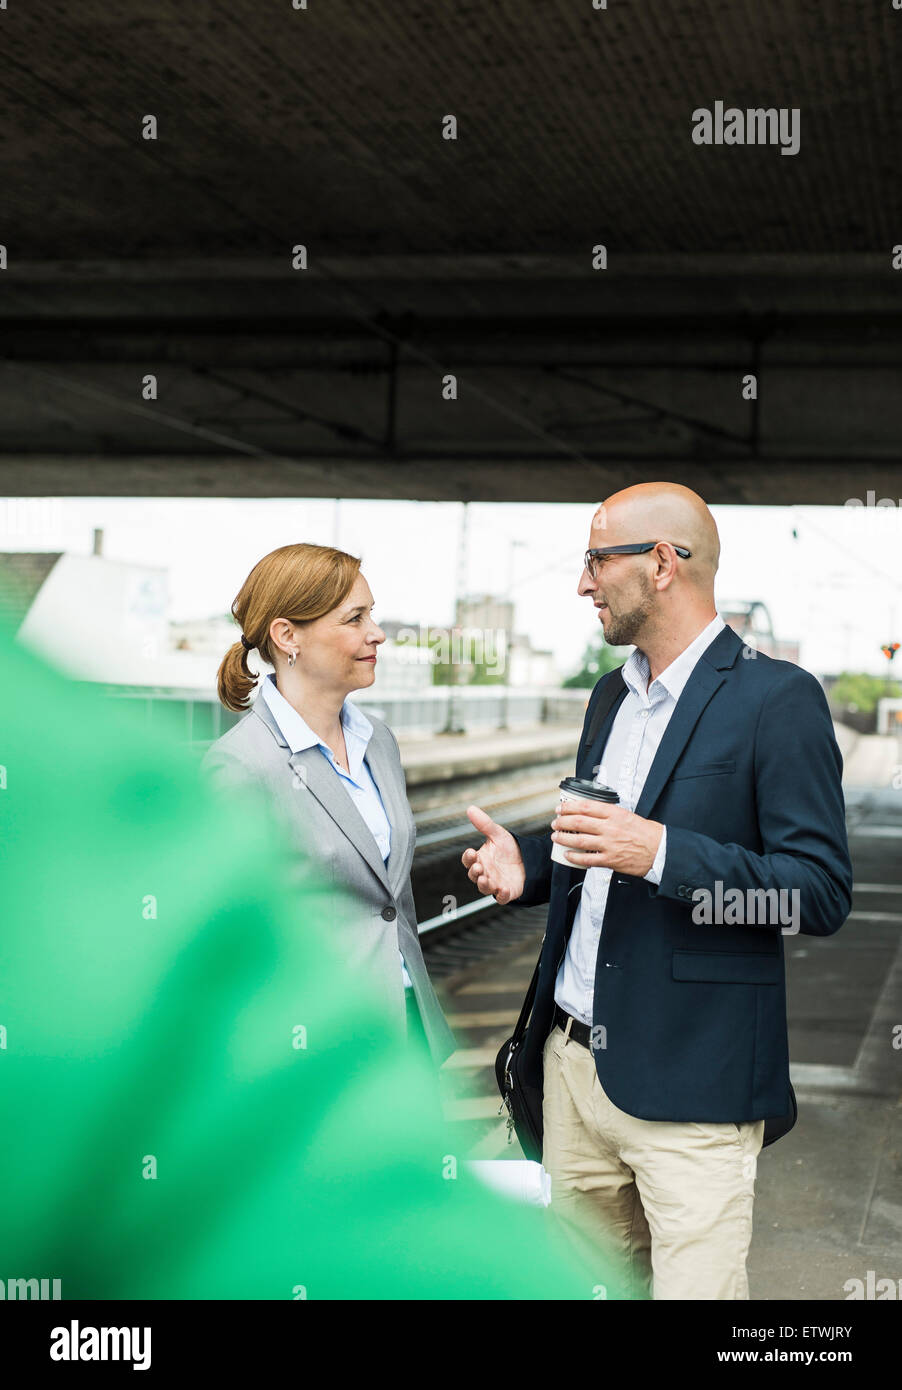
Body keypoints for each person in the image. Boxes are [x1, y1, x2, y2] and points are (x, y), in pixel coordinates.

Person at [461, 482, 852, 1300]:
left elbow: (814, 897)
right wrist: (531, 864)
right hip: (571, 1068)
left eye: (597, 559)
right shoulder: (610, 695)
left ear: (664, 564)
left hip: (693, 1087)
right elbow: (599, 844)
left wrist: (666, 855)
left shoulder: (777, 700)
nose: (583, 583)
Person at [202, 542, 455, 1067]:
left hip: (407, 1030)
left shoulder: (378, 740)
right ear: (287, 636)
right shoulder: (240, 767)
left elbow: (392, 901)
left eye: (372, 614)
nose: (377, 633)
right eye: (354, 618)